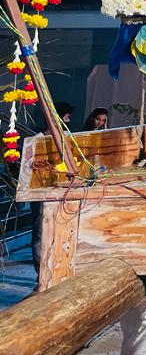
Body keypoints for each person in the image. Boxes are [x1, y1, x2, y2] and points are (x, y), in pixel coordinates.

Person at [31, 101, 74, 282]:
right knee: (41, 234)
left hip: (61, 194)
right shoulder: (36, 141)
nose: (68, 121)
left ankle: (56, 272)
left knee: (61, 233)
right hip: (41, 194)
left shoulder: (67, 140)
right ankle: (40, 276)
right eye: (66, 117)